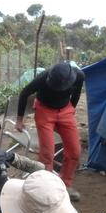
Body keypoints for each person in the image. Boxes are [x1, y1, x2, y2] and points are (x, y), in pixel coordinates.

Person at [15, 61, 84, 201]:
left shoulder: (79, 76)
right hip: (44, 111)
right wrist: (19, 120)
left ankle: (65, 185)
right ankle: (46, 188)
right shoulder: (43, 78)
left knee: (75, 151)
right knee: (47, 154)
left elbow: (76, 93)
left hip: (65, 111)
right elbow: (24, 93)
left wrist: (71, 110)